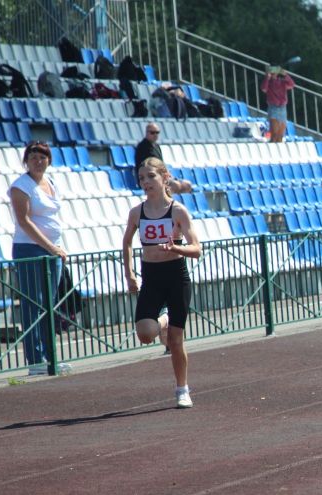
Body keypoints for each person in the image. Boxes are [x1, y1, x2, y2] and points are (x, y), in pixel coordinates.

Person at [122, 157, 201, 408]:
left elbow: (197, 249)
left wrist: (175, 248)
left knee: (176, 340)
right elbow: (127, 243)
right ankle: (163, 319)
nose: (145, 182)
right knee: (145, 334)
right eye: (141, 178)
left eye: (151, 176)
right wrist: (129, 274)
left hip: (176, 276)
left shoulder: (178, 211)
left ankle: (182, 389)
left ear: (165, 177)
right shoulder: (137, 212)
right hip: (151, 277)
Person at [9, 141, 72, 376]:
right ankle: (35, 359)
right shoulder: (21, 186)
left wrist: (55, 247)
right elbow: (24, 221)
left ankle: (50, 357)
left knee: (49, 304)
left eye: (43, 157)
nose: (38, 161)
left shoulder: (51, 182)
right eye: (33, 157)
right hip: (30, 249)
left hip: (51, 249)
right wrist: (51, 247)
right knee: (33, 304)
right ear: (26, 160)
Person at [134, 122, 192, 193]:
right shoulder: (142, 147)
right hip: (149, 178)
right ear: (147, 133)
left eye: (157, 132)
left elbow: (161, 164)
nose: (155, 135)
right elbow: (148, 167)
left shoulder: (156, 146)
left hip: (161, 176)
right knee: (175, 185)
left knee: (187, 185)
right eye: (152, 133)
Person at [261, 67, 295, 143]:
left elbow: (292, 85)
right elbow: (264, 89)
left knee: (280, 135)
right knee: (274, 134)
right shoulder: (268, 82)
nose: (274, 74)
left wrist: (286, 75)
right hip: (273, 107)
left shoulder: (282, 82)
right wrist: (267, 78)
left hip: (282, 107)